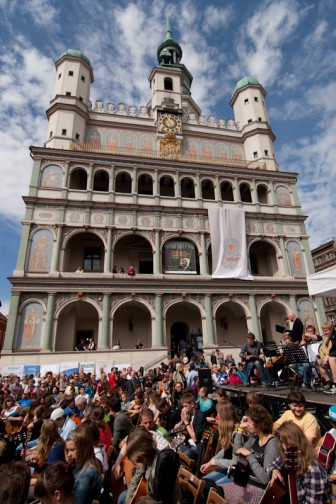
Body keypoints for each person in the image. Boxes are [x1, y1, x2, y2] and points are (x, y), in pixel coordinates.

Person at [219, 405, 279, 501]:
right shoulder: (255, 439)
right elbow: (236, 451)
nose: (247, 425)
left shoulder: (272, 443)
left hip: (258, 490)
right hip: (245, 483)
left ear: (258, 424)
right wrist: (239, 430)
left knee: (218, 492)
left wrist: (250, 456)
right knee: (214, 488)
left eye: (250, 422)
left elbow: (265, 479)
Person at [117, 426, 182, 504]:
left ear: (143, 452)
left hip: (157, 500)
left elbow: (165, 499)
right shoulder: (147, 459)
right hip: (149, 495)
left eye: (139, 458)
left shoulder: (161, 466)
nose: (138, 461)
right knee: (122, 497)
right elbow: (135, 479)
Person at [268, 421, 329, 503]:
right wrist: (274, 470)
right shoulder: (288, 456)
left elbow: (313, 502)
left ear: (297, 441)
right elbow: (270, 466)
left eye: (288, 442)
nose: (285, 446)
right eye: (282, 442)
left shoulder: (312, 469)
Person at [200, 400, 240, 479]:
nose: (217, 415)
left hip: (235, 474)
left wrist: (214, 462)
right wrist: (210, 462)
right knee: (205, 479)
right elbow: (224, 450)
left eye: (219, 413)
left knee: (207, 482)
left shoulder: (237, 433)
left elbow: (235, 462)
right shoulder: (228, 429)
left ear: (224, 415)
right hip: (227, 468)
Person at [65, 426, 102, 504]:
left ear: (83, 448)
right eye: (67, 450)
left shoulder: (86, 475)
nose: (69, 454)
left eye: (72, 450)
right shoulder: (79, 464)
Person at [174, 392, 207, 460]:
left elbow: (195, 438)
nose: (184, 408)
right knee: (171, 447)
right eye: (183, 406)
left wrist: (186, 422)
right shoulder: (188, 415)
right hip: (186, 442)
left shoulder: (200, 416)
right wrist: (182, 421)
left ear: (192, 404)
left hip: (196, 447)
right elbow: (175, 430)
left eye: (185, 406)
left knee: (177, 457)